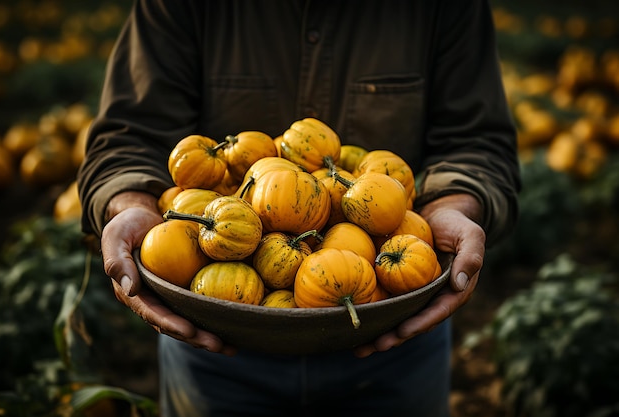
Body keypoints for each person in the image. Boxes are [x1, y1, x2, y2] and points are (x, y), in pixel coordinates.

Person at [77, 1, 521, 416]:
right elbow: (128, 134)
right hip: (213, 334)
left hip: (391, 326)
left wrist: (454, 205)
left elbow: (477, 139)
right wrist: (131, 203)